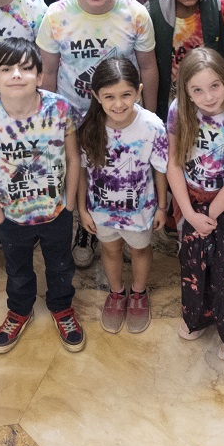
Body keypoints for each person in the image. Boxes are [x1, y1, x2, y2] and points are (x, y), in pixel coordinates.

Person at [0, 39, 84, 354]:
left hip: (56, 210)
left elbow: (73, 159)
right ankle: (19, 309)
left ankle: (62, 307)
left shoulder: (59, 109)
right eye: (6, 69)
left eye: (26, 68)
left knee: (60, 265)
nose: (16, 75)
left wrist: (69, 204)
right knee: (18, 269)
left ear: (40, 76)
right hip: (11, 216)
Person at [165, 48, 224, 361]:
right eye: (197, 90)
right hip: (188, 201)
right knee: (192, 262)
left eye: (214, 86)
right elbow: (174, 165)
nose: (207, 96)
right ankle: (199, 314)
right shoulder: (179, 111)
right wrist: (190, 214)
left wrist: (210, 214)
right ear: (187, 93)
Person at [77, 57, 168, 335]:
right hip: (101, 209)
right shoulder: (89, 126)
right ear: (96, 96)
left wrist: (162, 206)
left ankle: (138, 293)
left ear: (139, 91)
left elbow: (159, 170)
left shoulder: (152, 126)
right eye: (109, 97)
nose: (118, 104)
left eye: (126, 94)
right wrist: (82, 208)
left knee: (140, 248)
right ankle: (117, 293)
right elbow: (82, 170)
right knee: (110, 248)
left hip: (140, 210)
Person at [37, 0, 158, 119]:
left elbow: (148, 67)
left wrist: (150, 116)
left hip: (123, 113)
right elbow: (49, 71)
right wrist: (48, 119)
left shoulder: (136, 15)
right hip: (72, 115)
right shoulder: (55, 16)